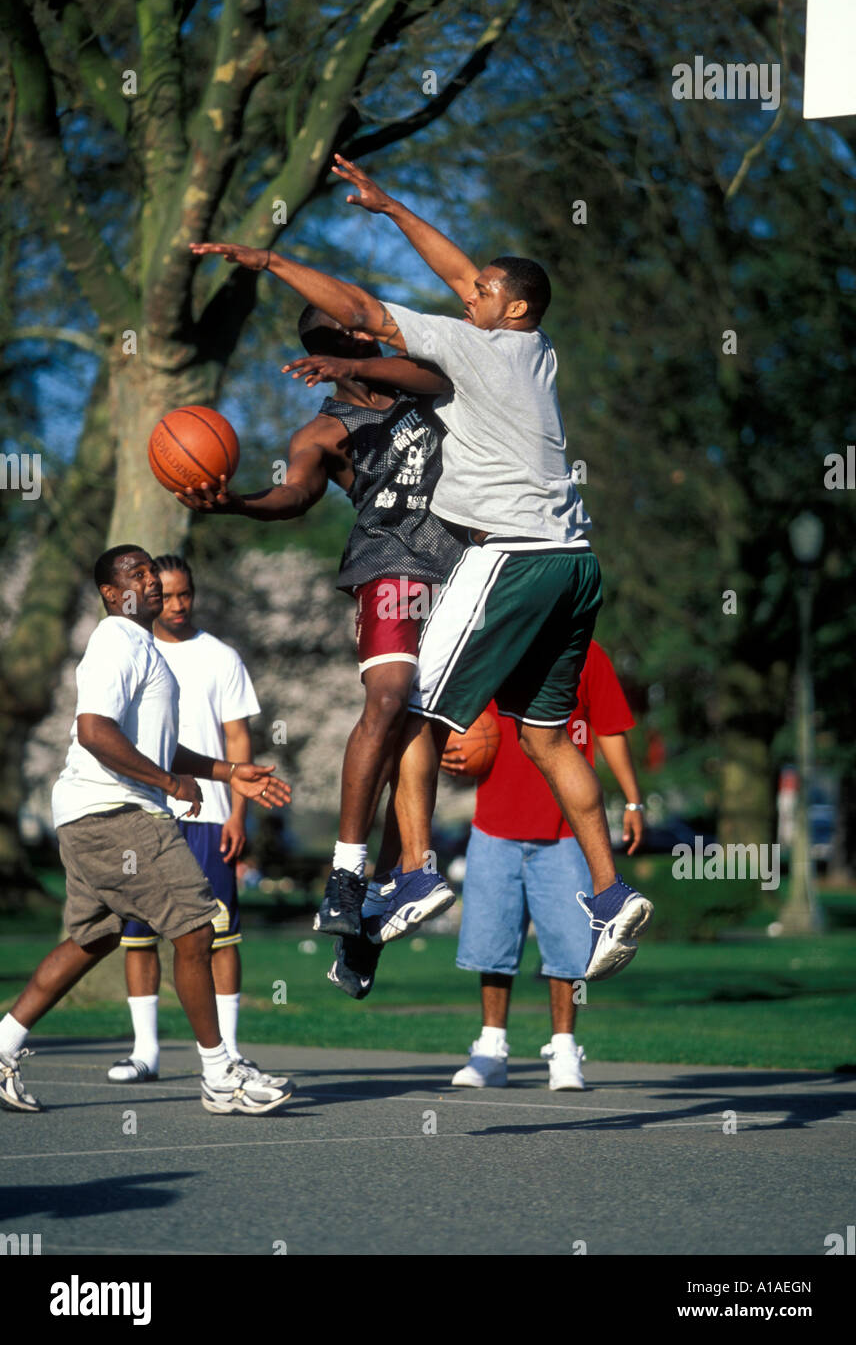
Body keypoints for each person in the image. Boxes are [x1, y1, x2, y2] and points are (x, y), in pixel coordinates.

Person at [188, 153, 654, 983]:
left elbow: (367, 309)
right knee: (545, 738)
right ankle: (612, 895)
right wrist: (392, 207)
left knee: (409, 711)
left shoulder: (469, 353)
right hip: (576, 563)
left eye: (479, 295)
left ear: (503, 309)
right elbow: (464, 277)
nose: (463, 295)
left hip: (510, 557)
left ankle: (399, 875)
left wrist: (269, 261)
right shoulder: (532, 348)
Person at [177, 305, 466, 980]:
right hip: (389, 567)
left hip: (463, 570)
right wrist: (240, 503)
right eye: (358, 325)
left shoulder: (424, 381)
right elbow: (296, 491)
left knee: (422, 729)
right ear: (334, 342)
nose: (374, 325)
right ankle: (345, 875)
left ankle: (376, 913)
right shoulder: (324, 429)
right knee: (391, 701)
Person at [0, 547, 293, 1116]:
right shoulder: (115, 640)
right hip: (116, 813)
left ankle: (2, 1044)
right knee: (195, 926)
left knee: (96, 938)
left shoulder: (144, 647)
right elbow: (93, 732)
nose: (151, 581)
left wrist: (230, 772)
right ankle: (219, 1073)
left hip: (94, 813)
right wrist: (168, 783)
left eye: (150, 571)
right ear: (111, 594)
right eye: (136, 574)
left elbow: (155, 744)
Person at [441, 641, 644, 1090]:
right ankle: (490, 1049)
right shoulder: (494, 648)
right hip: (494, 825)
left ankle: (565, 1050)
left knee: (571, 950)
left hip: (568, 830)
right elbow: (457, 722)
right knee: (491, 948)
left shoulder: (586, 653)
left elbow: (610, 727)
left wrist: (632, 798)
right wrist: (451, 752)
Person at [107, 554, 263, 1084]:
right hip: (145, 813)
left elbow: (239, 741)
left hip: (211, 815)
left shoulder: (221, 657)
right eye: (166, 595)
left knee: (217, 937)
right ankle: (145, 1050)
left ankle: (232, 1051)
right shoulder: (132, 650)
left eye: (184, 595)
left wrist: (239, 814)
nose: (175, 604)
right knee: (139, 933)